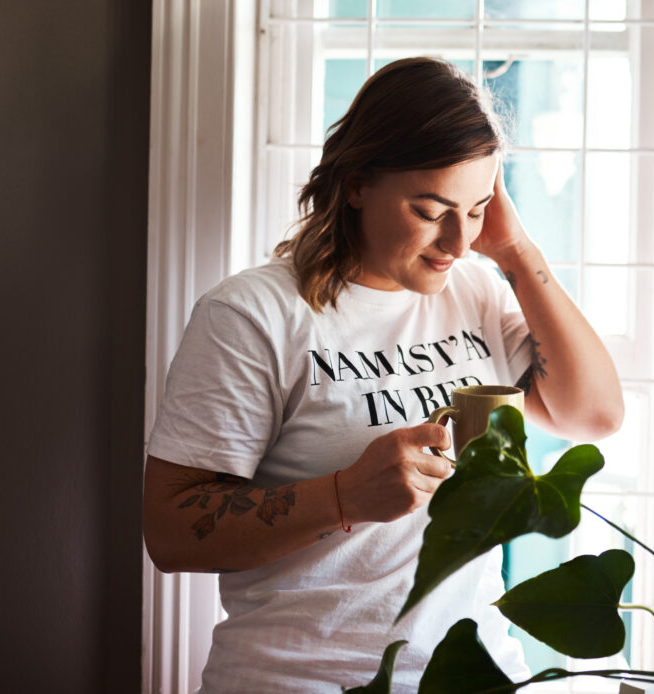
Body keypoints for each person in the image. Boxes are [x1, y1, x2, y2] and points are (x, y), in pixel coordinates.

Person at [142, 57, 624, 693]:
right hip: (297, 680)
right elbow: (173, 532)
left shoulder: (475, 289)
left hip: (477, 675)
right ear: (358, 183)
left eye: (477, 209)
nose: (457, 240)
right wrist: (346, 494)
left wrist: (513, 251)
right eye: (430, 210)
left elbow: (592, 414)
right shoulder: (252, 315)